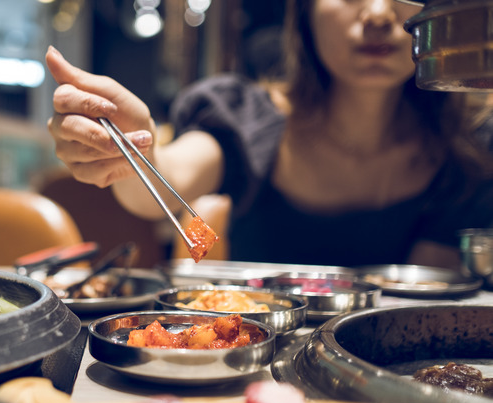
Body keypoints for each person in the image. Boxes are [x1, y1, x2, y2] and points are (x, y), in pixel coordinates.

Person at [44, 0, 493, 270]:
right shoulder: (246, 114)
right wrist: (132, 146)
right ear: (304, 13)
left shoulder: (470, 144)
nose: (377, 14)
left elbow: (428, 312)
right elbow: (166, 179)